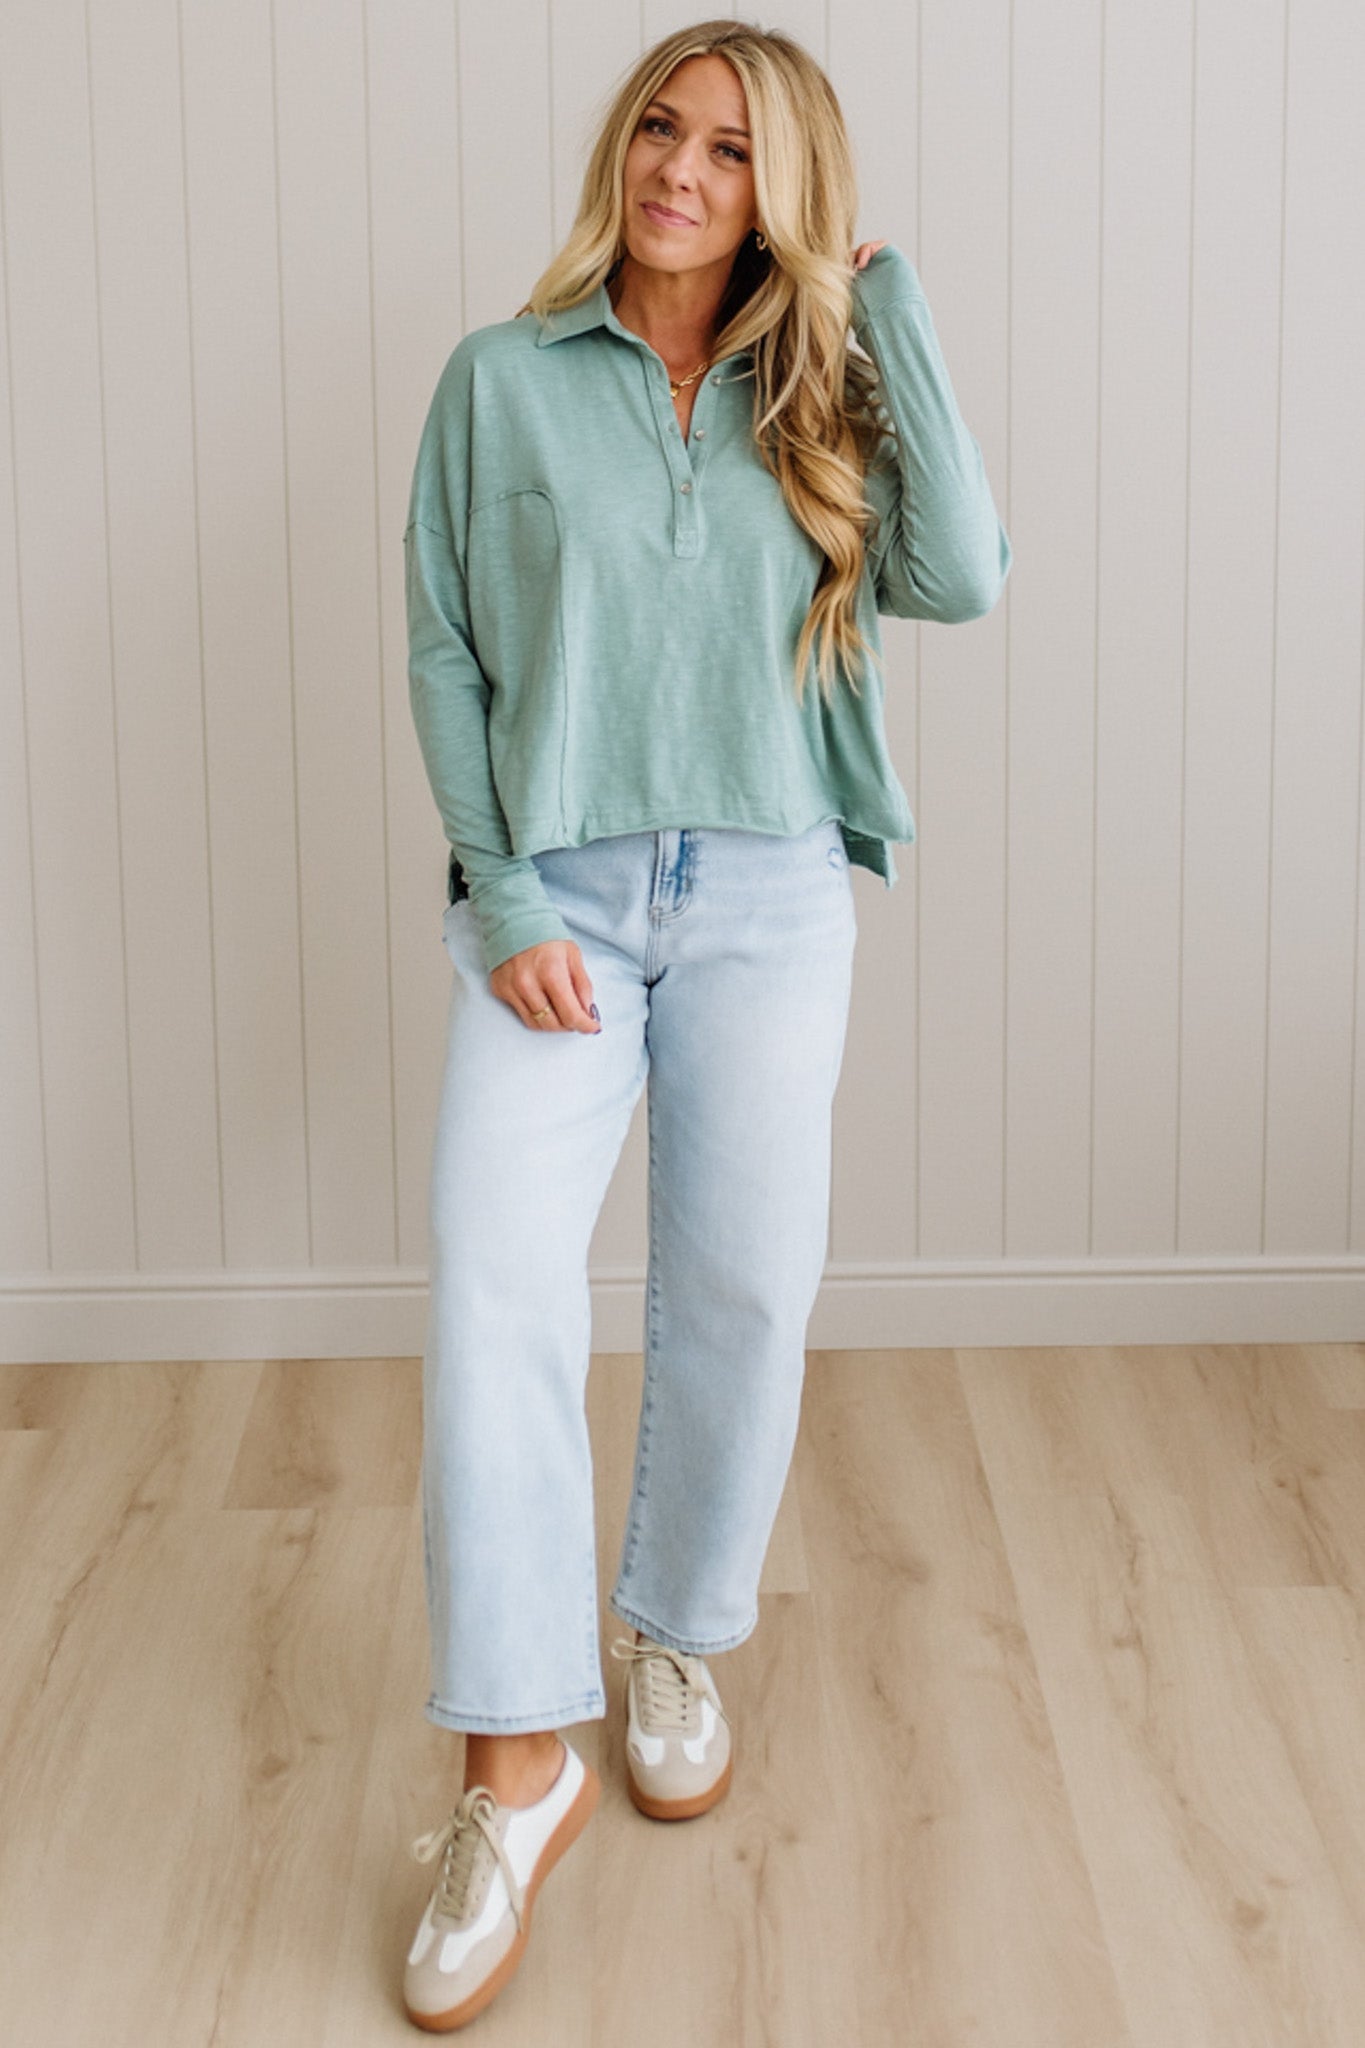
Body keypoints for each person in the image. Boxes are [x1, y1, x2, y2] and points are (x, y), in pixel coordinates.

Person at [400, 17, 1010, 2031]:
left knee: (742, 1285)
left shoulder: (815, 389)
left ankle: (669, 1634)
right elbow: (445, 646)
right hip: (557, 903)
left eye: (732, 150)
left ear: (782, 193)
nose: (677, 167)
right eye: (660, 127)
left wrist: (878, 301)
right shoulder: (500, 380)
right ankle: (512, 1763)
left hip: (764, 894)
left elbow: (959, 576)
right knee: (495, 1278)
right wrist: (502, 898)